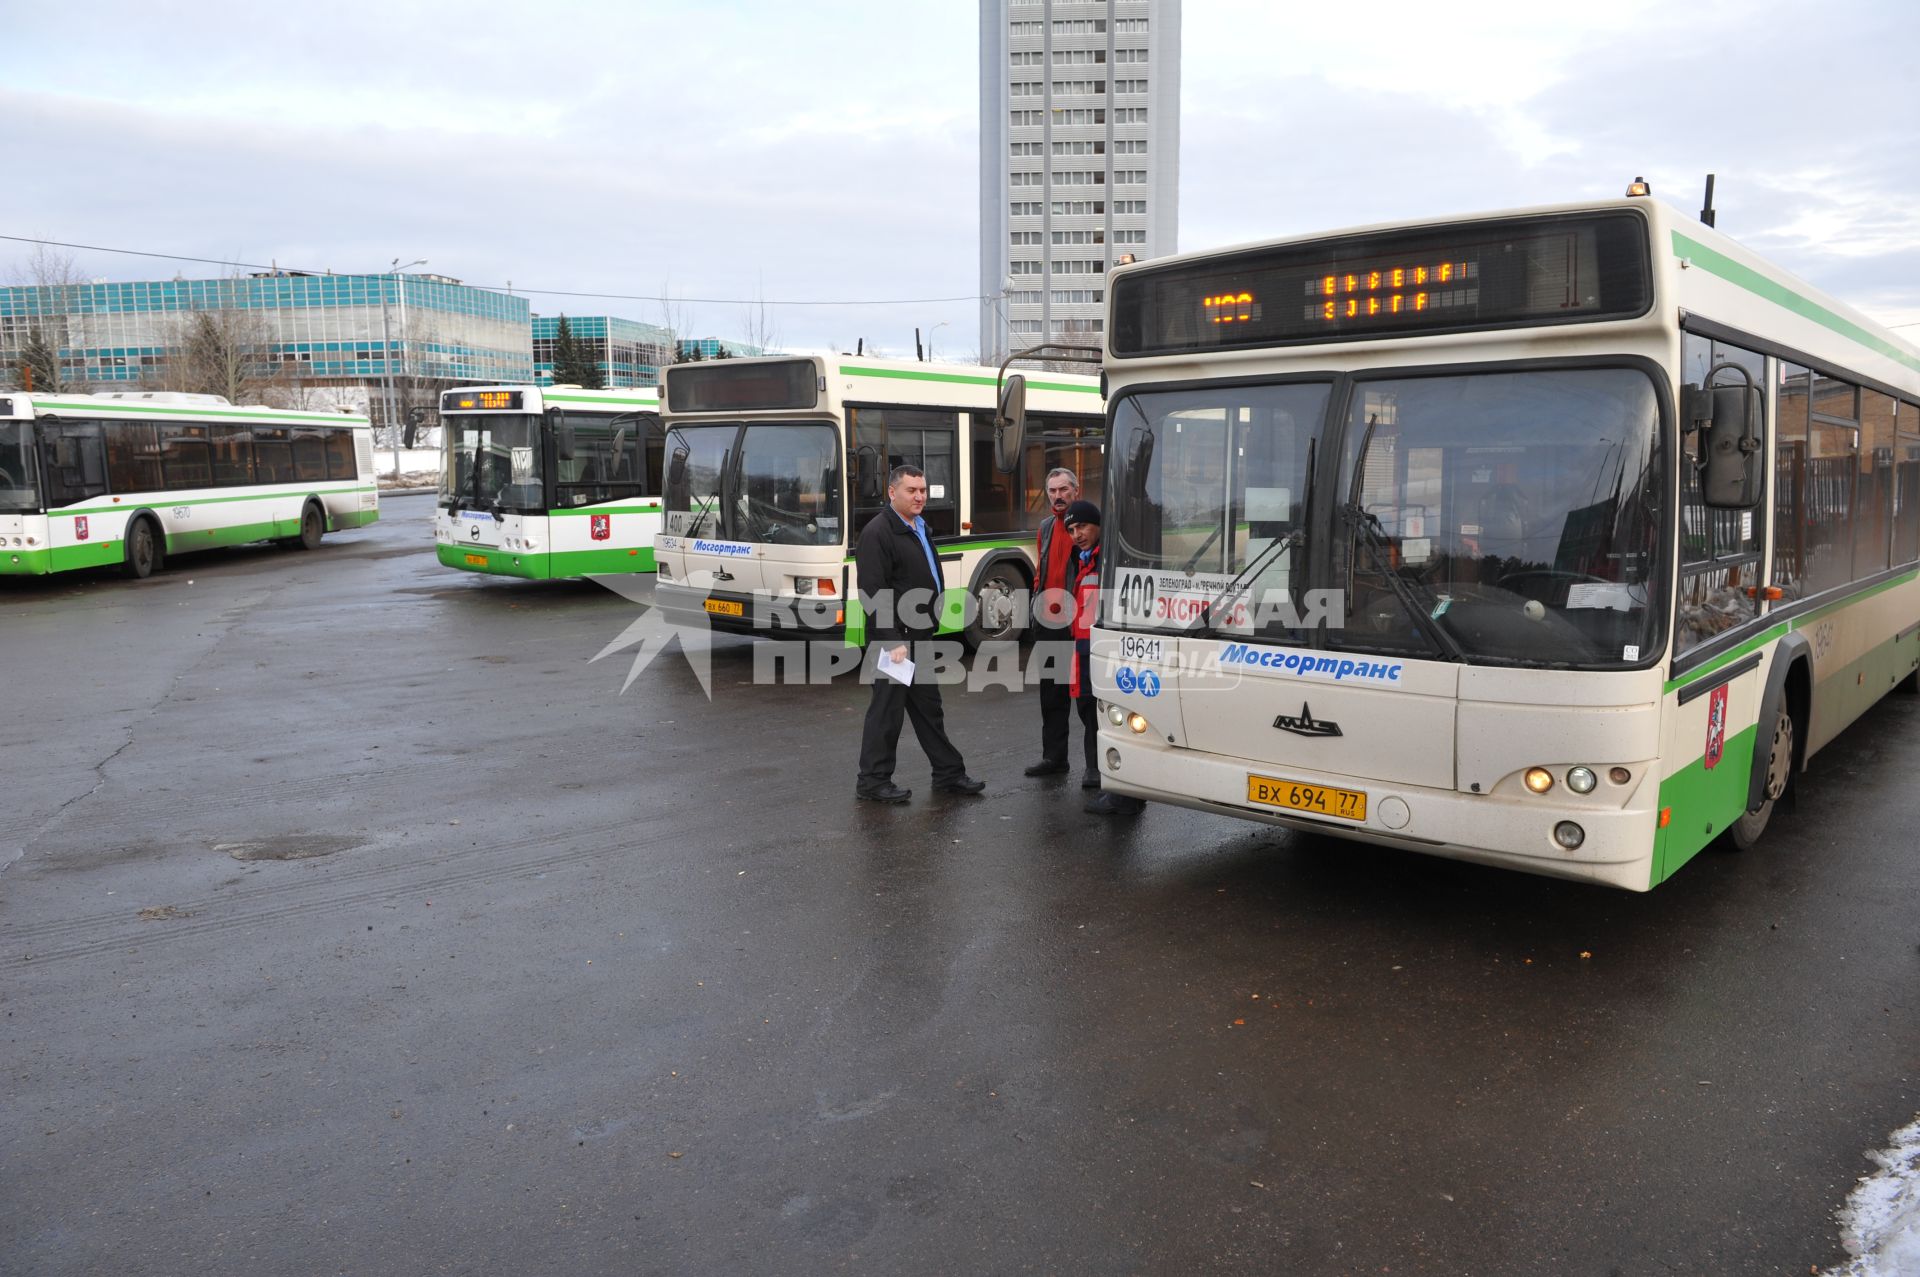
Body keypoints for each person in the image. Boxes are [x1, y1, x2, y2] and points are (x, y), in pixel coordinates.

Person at [853, 464, 986, 803]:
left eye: (923, 490)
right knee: (887, 713)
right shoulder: (877, 532)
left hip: (920, 636)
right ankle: (872, 783)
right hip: (896, 641)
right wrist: (892, 639)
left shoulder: (920, 527)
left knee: (930, 710)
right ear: (892, 492)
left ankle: (948, 774)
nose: (919, 496)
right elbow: (872, 590)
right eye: (911, 490)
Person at [1061, 500, 1145, 816]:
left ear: (1097, 525)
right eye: (1071, 529)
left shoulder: (1107, 559)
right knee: (1088, 712)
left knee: (1110, 717)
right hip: (1085, 647)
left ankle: (1122, 791)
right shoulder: (1083, 559)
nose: (1076, 534)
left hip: (1105, 649)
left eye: (1081, 526)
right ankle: (1102, 776)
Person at [1024, 467, 1081, 779]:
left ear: (1076, 490)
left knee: (1087, 699)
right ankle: (1054, 759)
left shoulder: (1087, 525)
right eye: (1053, 492)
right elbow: (1041, 569)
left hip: (1078, 624)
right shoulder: (1045, 526)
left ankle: (1099, 769)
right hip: (1050, 624)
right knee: (1052, 696)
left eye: (1063, 490)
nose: (1058, 496)